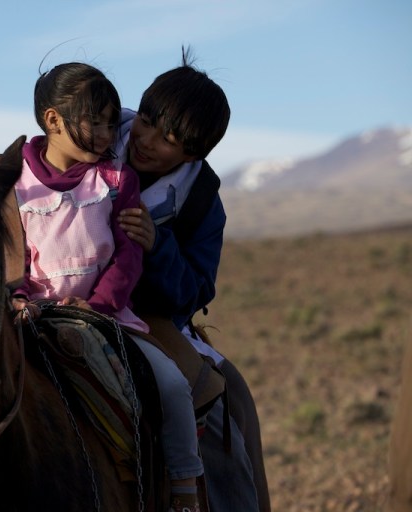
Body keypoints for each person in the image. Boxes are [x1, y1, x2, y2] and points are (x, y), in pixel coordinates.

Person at [10, 61, 204, 512]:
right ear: (53, 119)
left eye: (109, 122)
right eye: (93, 121)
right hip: (30, 317)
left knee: (173, 385)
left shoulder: (117, 180)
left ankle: (183, 490)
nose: (105, 134)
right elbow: (9, 255)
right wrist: (18, 298)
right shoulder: (13, 184)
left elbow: (127, 254)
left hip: (106, 317)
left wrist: (100, 305)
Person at [115, 47, 269, 511]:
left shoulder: (202, 202)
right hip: (48, 295)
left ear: (192, 153)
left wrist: (156, 248)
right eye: (145, 119)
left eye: (169, 138)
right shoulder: (94, 134)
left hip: (145, 319)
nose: (145, 139)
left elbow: (197, 290)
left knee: (219, 400)